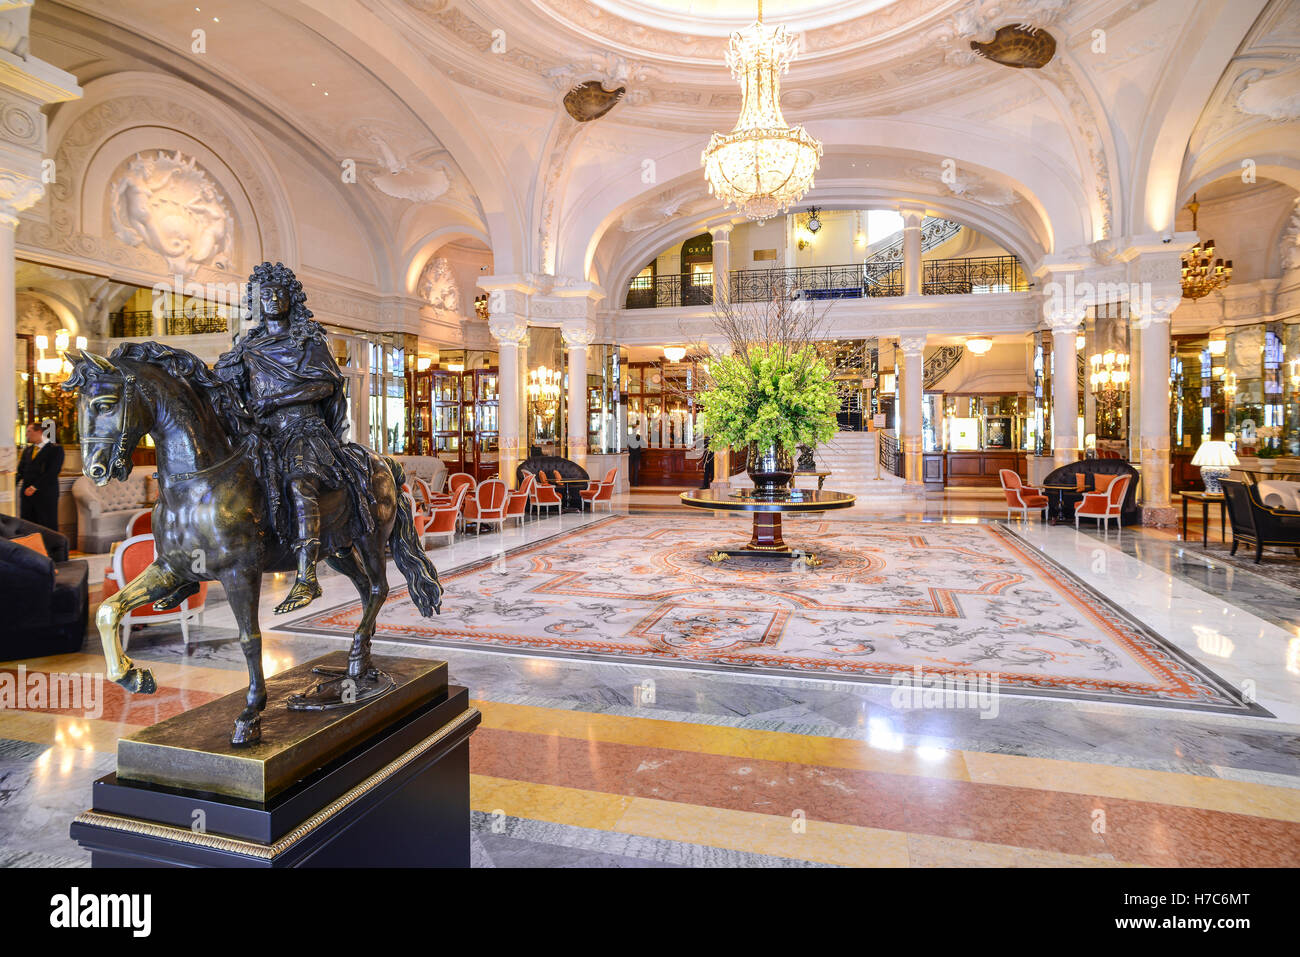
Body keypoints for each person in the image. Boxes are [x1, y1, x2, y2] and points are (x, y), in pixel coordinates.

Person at [214, 262, 372, 615]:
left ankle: (306, 576)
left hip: (304, 429)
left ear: (291, 298)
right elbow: (225, 386)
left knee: (300, 484)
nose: (271, 299)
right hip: (264, 433)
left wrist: (275, 400)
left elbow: (325, 384)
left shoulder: (307, 339)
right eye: (264, 294)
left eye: (277, 293)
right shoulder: (249, 345)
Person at [16, 422, 64, 531]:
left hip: (45, 494)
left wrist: (34, 487)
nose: (26, 435)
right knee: (27, 525)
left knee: (46, 525)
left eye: (29, 431)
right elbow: (21, 471)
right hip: (27, 495)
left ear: (39, 432)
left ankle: (49, 548)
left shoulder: (55, 449)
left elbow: (52, 472)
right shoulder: (27, 450)